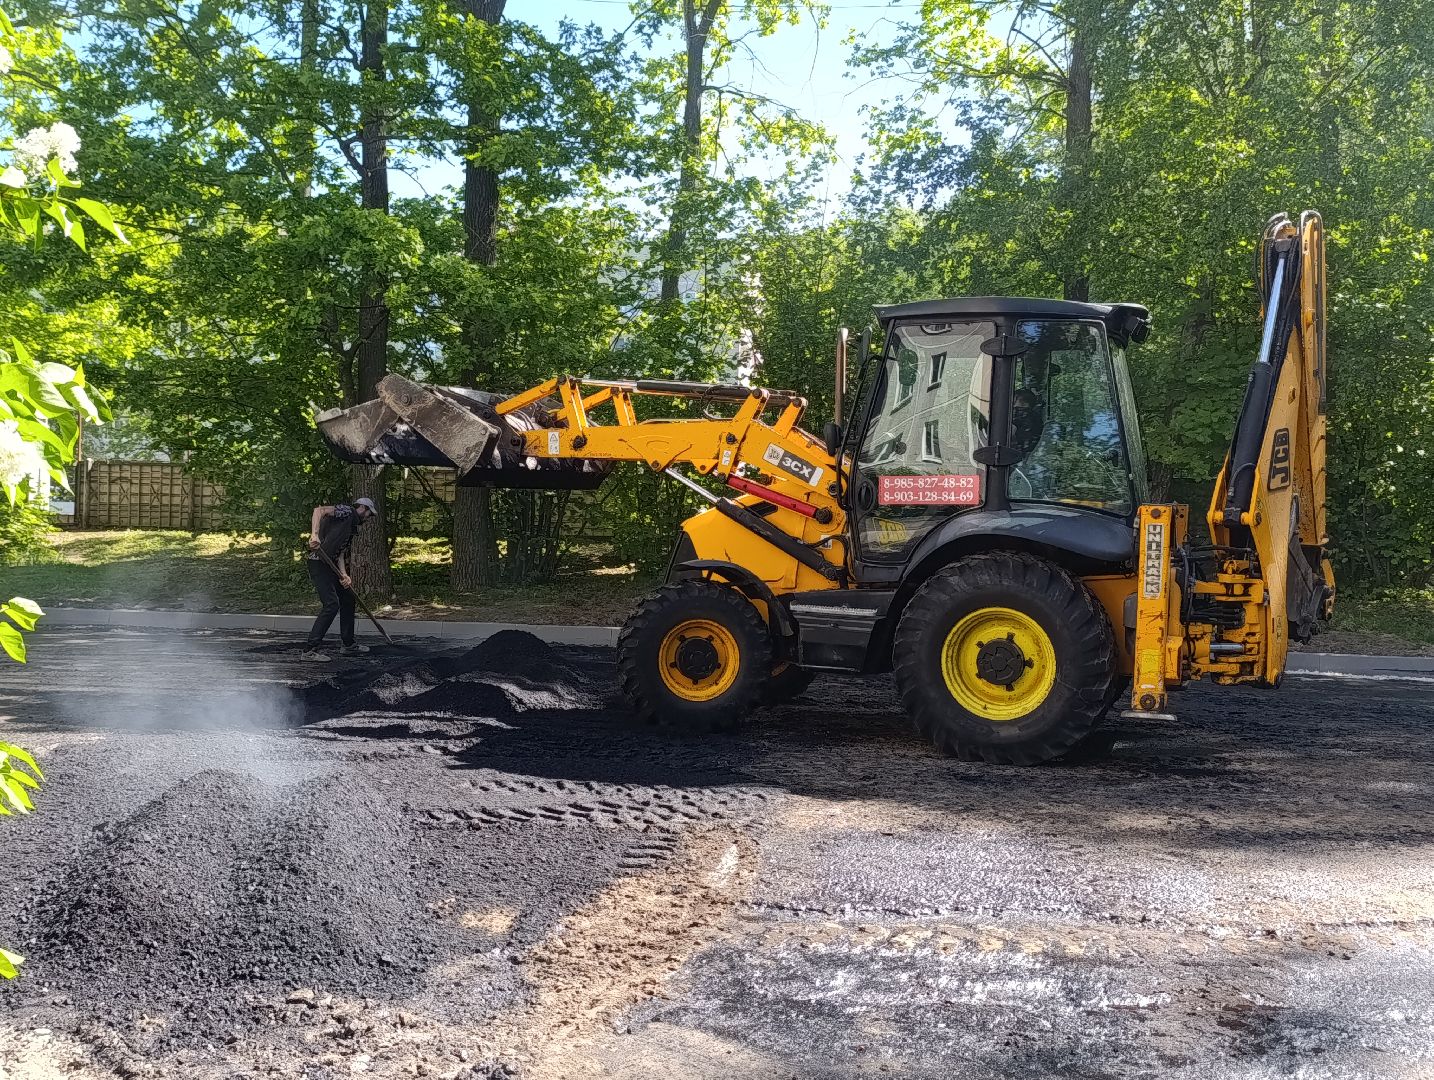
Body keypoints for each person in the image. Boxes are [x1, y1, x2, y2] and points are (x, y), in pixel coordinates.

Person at [301, 497, 376, 661]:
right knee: (331, 604)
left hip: (331, 564)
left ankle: (348, 645)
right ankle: (309, 650)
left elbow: (340, 553)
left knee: (348, 598)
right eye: (369, 513)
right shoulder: (346, 511)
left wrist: (344, 575)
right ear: (362, 508)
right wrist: (314, 535)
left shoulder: (351, 527)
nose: (368, 518)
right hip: (318, 562)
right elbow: (318, 510)